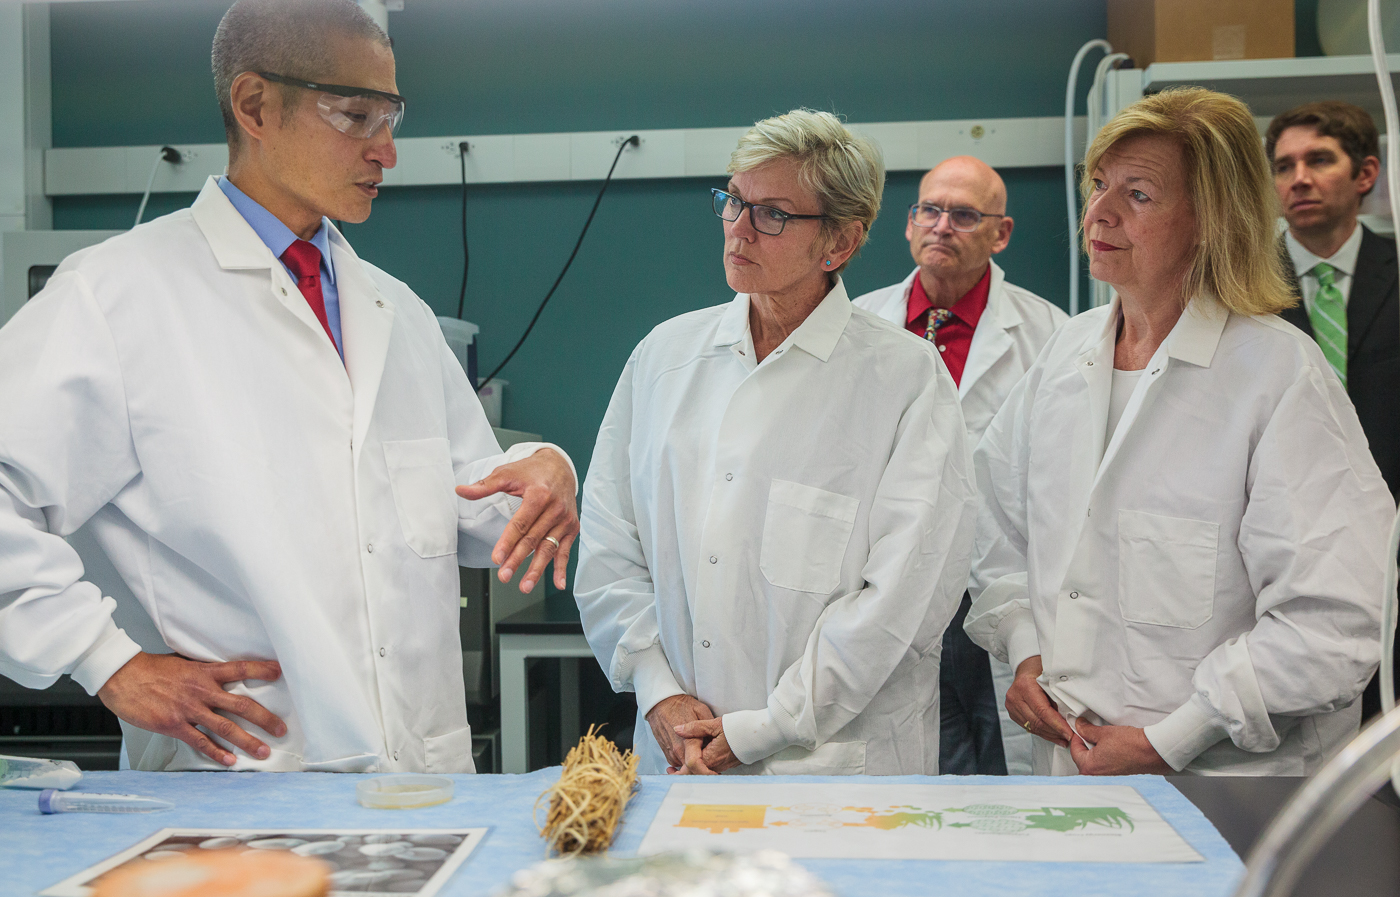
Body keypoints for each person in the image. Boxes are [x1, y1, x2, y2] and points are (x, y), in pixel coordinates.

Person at [0, 0, 579, 773]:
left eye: (392, 118)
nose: (387, 153)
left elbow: (461, 499)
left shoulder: (395, 312)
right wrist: (105, 658)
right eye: (356, 117)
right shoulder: (115, 295)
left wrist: (544, 469)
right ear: (255, 106)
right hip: (240, 783)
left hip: (420, 786)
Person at [966, 87, 1394, 777]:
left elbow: (1336, 619)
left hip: (1225, 787)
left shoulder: (1276, 373)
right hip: (1067, 770)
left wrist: (1176, 734)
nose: (1098, 212)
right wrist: (1023, 646)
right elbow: (994, 527)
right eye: (1100, 184)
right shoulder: (1062, 358)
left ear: (1210, 218)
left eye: (1137, 194)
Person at [576, 109, 976, 776]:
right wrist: (657, 687)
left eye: (772, 214)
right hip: (678, 753)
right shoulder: (664, 358)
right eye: (733, 201)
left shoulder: (905, 380)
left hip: (833, 767)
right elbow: (609, 542)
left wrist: (769, 725)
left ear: (840, 243)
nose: (738, 227)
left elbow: (902, 598)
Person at [853, 156, 1065, 776]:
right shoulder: (857, 325)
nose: (942, 226)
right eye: (929, 210)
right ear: (909, 222)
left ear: (1000, 233)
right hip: (893, 581)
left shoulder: (1050, 336)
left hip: (1000, 583)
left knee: (1003, 758)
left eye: (965, 215)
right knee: (915, 766)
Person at [1266, 101, 1399, 720]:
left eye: (1320, 160)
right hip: (1282, 548)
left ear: (1365, 173)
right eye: (1284, 165)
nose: (1299, 178)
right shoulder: (1241, 290)